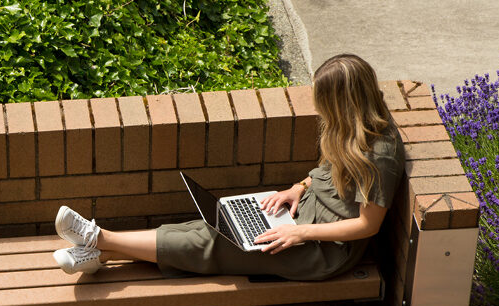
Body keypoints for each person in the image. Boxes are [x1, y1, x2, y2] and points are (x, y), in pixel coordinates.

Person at [53, 54, 405, 281]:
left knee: (213, 242)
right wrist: (299, 187)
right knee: (214, 224)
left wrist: (299, 234)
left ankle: (98, 238)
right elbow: (328, 171)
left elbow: (367, 224)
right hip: (303, 217)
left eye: (324, 103)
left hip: (322, 251)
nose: (319, 110)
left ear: (344, 103)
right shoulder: (350, 127)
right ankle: (97, 254)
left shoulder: (381, 152)